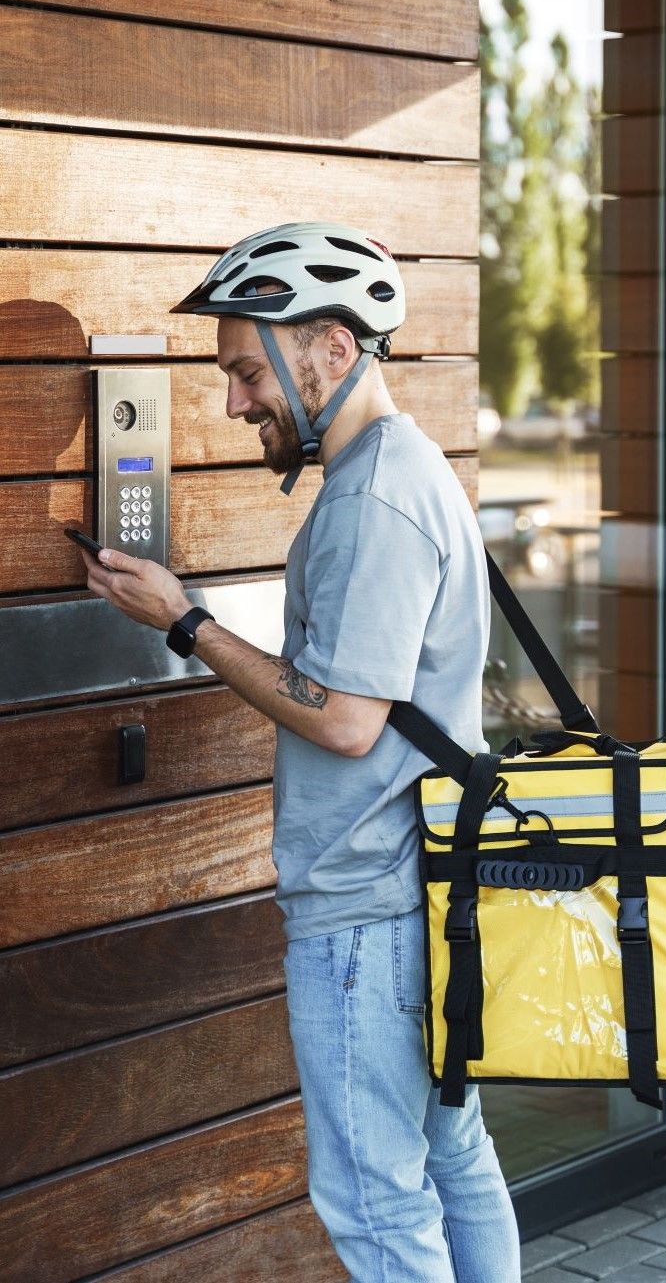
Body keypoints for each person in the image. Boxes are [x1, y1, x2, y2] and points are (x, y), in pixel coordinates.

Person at [78, 220, 521, 1283]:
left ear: (331, 346)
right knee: (453, 1159)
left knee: (376, 1203)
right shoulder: (405, 468)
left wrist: (186, 621)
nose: (235, 403)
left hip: (369, 914)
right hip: (421, 892)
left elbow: (345, 718)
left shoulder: (373, 496)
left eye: (246, 371)